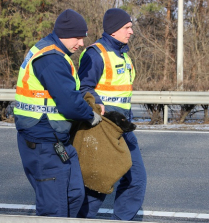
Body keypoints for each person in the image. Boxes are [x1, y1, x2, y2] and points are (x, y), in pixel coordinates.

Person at [14, 9, 102, 217]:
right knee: (54, 209)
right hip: (44, 142)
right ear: (64, 33)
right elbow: (69, 103)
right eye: (78, 37)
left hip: (56, 140)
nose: (81, 44)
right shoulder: (51, 58)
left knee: (74, 194)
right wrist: (91, 116)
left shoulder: (54, 52)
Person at [77, 8, 147, 221]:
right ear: (115, 29)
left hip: (122, 127)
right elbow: (83, 88)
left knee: (136, 178)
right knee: (100, 182)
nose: (131, 32)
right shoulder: (95, 53)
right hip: (104, 129)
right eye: (127, 27)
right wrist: (97, 102)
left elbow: (122, 94)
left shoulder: (123, 54)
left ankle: (122, 219)